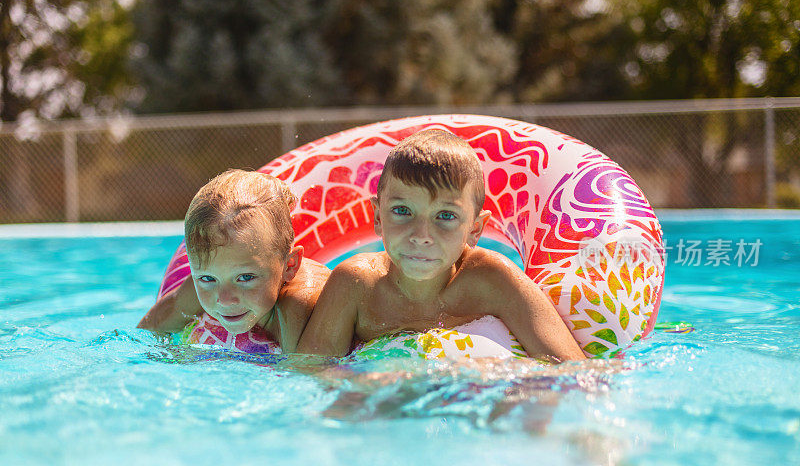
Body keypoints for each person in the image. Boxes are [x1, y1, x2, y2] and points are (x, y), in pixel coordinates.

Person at [296, 129, 586, 362]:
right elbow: (311, 375)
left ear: (475, 229)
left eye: (445, 216)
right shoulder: (356, 284)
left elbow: (569, 369)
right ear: (377, 217)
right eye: (402, 211)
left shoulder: (493, 280)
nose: (422, 235)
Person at [138, 169, 330, 353]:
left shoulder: (296, 309)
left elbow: (307, 375)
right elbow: (147, 333)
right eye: (207, 278)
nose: (225, 300)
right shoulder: (204, 288)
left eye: (245, 277)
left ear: (290, 265)